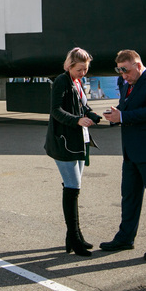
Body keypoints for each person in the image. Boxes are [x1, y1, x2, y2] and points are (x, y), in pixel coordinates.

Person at [101, 49, 146, 261]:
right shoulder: (126, 84)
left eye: (126, 70)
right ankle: (125, 237)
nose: (123, 76)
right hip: (131, 151)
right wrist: (116, 114)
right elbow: (127, 108)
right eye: (120, 71)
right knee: (129, 197)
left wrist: (122, 115)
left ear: (137, 64)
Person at [44, 47, 102, 257]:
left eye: (85, 69)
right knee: (72, 188)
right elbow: (55, 110)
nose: (83, 73)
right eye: (80, 69)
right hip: (64, 142)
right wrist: (77, 120)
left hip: (79, 141)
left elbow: (82, 106)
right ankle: (74, 237)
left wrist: (92, 115)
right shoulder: (61, 80)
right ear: (69, 66)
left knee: (74, 189)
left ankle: (74, 236)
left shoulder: (77, 82)